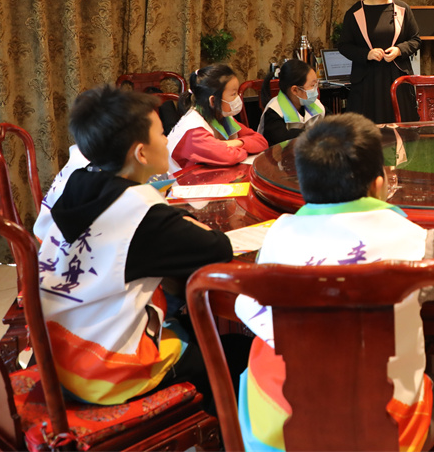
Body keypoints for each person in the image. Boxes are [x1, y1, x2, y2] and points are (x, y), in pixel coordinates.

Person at [234, 113, 434, 451]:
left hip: (273, 429)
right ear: (378, 183)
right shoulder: (411, 241)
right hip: (377, 435)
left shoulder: (277, 236)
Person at [34, 85, 249, 405]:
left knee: (180, 312)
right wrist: (183, 221)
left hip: (54, 354)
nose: (167, 140)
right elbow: (217, 248)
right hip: (104, 372)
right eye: (161, 134)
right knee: (239, 357)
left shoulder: (78, 183)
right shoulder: (140, 210)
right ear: (141, 154)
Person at [340, 0, 422, 124]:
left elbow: (415, 40)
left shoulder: (402, 9)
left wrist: (399, 50)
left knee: (402, 124)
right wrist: (367, 54)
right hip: (366, 80)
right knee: (367, 127)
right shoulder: (355, 13)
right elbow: (344, 46)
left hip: (397, 77)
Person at [166, 64, 268, 174]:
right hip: (178, 181)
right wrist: (244, 148)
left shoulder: (222, 117)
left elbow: (261, 141)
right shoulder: (194, 129)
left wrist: (234, 143)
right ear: (213, 101)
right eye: (233, 94)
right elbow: (230, 157)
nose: (238, 98)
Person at [257, 59, 325, 146]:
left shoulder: (315, 104)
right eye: (312, 85)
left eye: (316, 84)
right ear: (295, 90)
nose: (316, 89)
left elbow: (332, 126)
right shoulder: (274, 111)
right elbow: (281, 140)